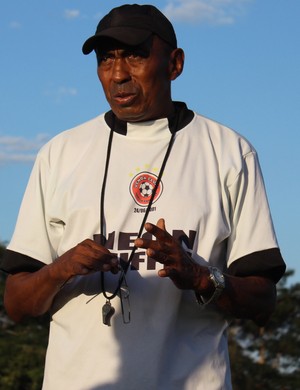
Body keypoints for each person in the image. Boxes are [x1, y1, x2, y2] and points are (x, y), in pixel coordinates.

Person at [1, 4, 286, 390]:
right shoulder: (59, 153)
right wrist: (61, 268)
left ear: (174, 63)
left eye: (134, 55)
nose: (118, 74)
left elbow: (263, 301)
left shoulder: (230, 152)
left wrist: (200, 277)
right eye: (106, 59)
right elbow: (17, 304)